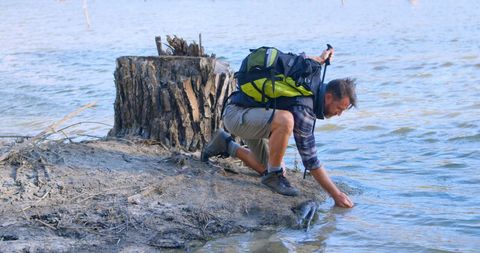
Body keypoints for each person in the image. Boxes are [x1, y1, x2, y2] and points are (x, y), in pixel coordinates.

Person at [201, 47, 357, 208]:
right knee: (286, 121)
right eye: (340, 108)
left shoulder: (313, 72)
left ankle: (225, 143)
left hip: (257, 114)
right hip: (237, 114)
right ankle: (273, 177)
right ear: (329, 97)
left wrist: (321, 57)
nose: (339, 114)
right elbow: (310, 160)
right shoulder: (304, 107)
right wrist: (336, 194)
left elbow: (301, 58)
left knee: (271, 168)